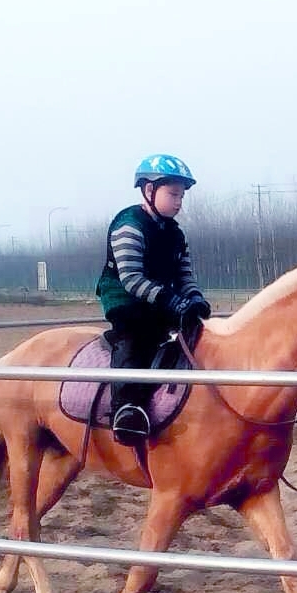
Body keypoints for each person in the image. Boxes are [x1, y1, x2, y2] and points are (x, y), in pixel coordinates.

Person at [95, 154, 212, 446]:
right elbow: (131, 278)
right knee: (136, 338)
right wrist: (172, 301)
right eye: (173, 194)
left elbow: (185, 274)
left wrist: (195, 299)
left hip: (161, 301)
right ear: (149, 190)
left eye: (181, 196)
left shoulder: (175, 233)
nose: (179, 201)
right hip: (127, 301)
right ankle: (126, 409)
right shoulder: (128, 225)